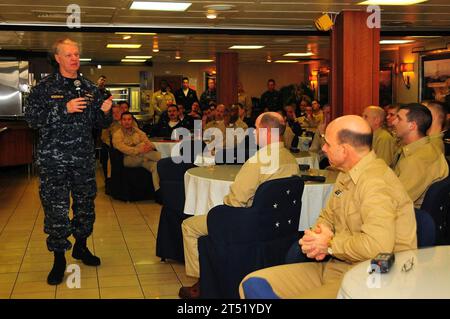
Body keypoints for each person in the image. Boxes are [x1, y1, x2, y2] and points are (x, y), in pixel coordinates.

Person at [240, 115, 417, 299]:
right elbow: (327, 217)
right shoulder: (346, 173)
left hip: (375, 276)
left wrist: (330, 244)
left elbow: (378, 246)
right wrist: (317, 239)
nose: (323, 148)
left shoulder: (376, 183)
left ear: (344, 149)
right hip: (337, 265)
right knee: (252, 282)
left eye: (328, 144)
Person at [179, 112, 300, 299]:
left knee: (189, 226)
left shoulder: (258, 161)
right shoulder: (290, 159)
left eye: (256, 130)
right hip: (276, 226)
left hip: (248, 224)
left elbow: (236, 201)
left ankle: (201, 282)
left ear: (267, 132)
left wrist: (220, 208)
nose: (253, 134)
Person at [24, 38, 113, 285]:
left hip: (83, 159)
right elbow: (31, 119)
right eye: (69, 55)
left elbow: (100, 123)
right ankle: (59, 258)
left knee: (85, 205)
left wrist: (105, 111)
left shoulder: (89, 87)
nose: (75, 59)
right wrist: (64, 108)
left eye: (77, 54)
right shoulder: (43, 88)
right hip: (54, 160)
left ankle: (81, 246)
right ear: (58, 58)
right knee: (57, 209)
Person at [392, 103, 448, 207]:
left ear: (412, 126)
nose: (393, 122)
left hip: (409, 217)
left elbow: (395, 201)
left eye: (399, 119)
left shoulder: (416, 160)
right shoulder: (429, 148)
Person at [112, 112, 161, 192]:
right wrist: (139, 149)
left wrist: (149, 147)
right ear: (121, 121)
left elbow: (148, 142)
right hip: (127, 159)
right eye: (124, 119)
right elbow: (123, 148)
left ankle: (158, 191)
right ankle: (163, 159)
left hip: (143, 158)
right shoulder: (117, 134)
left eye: (129, 119)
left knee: (155, 166)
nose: (127, 122)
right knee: (142, 148)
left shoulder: (138, 131)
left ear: (132, 121)